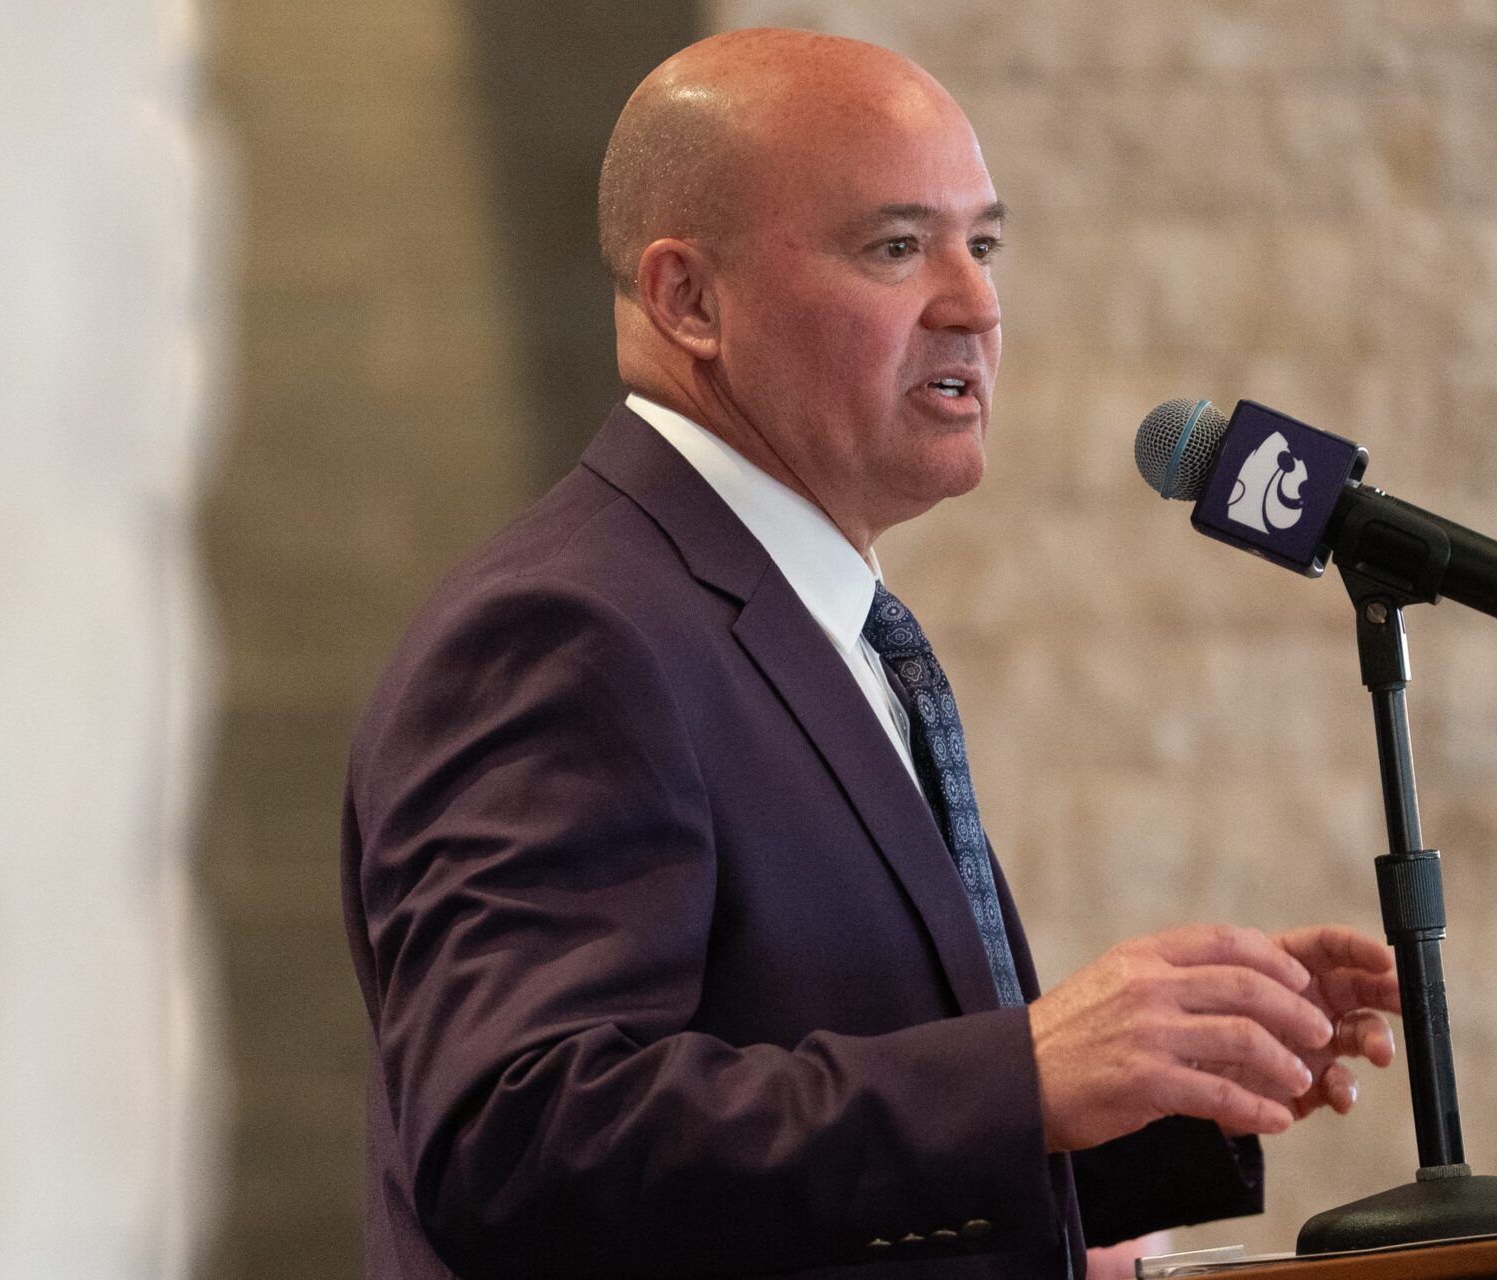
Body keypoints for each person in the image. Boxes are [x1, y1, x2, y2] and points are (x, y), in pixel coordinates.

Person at [340, 28, 1402, 1280]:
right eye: (897, 247)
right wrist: (1022, 1071)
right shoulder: (570, 632)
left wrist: (1167, 1074)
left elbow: (834, 1137)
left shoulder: (822, 626)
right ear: (689, 300)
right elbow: (519, 1145)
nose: (976, 304)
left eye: (982, 245)